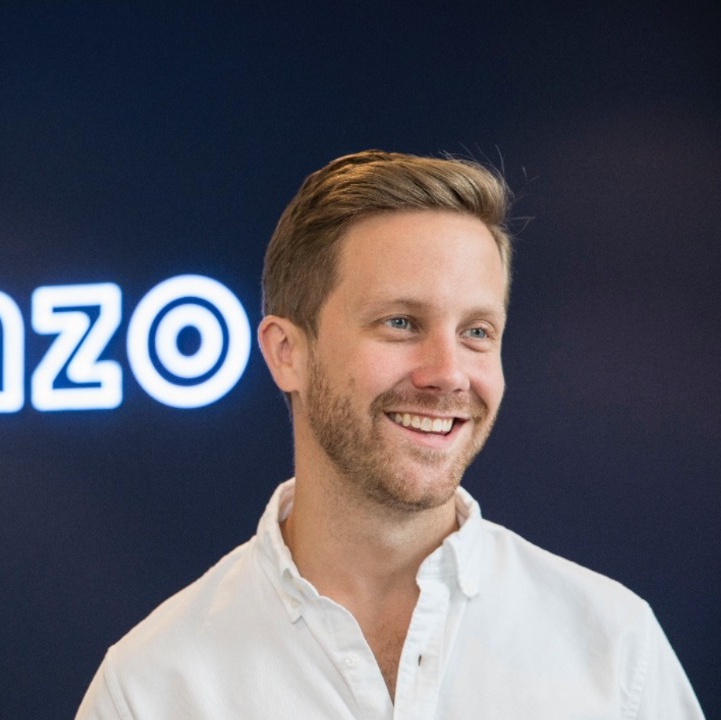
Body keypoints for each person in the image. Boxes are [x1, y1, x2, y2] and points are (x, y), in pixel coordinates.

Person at [75, 150, 704, 719]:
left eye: (477, 332)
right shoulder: (151, 690)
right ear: (287, 353)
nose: (448, 373)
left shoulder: (616, 650)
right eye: (401, 322)